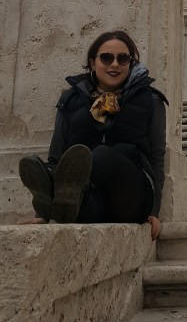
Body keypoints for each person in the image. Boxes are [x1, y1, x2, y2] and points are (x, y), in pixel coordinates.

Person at [18, 31, 166, 240]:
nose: (114, 64)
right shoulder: (70, 100)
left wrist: (154, 212)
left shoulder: (151, 100)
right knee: (77, 202)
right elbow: (58, 154)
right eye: (106, 58)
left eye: (123, 59)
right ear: (92, 63)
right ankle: (54, 204)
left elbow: (157, 157)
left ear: (130, 64)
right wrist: (42, 215)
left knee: (101, 155)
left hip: (131, 194)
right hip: (90, 196)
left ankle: (56, 192)